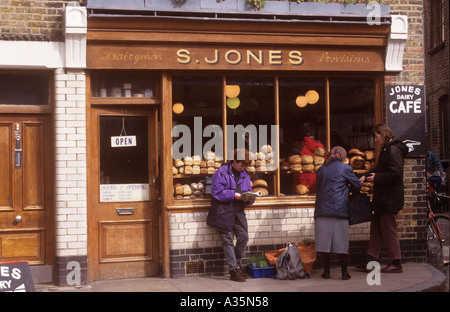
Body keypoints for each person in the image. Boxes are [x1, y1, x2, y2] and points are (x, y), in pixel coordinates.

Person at [357, 124, 408, 273]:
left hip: (389, 198)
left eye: (376, 136)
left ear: (384, 134)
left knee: (389, 229)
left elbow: (396, 174)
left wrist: (376, 178)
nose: (375, 139)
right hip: (383, 198)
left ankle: (396, 262)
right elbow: (379, 170)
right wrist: (365, 176)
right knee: (376, 229)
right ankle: (370, 259)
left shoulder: (393, 150)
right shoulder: (387, 149)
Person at [206, 149, 255, 282]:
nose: (243, 168)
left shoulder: (245, 174)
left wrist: (250, 199)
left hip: (237, 211)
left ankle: (237, 265)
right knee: (227, 240)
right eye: (242, 165)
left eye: (245, 166)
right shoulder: (221, 172)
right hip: (222, 210)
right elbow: (216, 192)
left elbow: (248, 191)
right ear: (234, 161)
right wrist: (233, 195)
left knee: (243, 237)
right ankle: (233, 270)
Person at [314, 146, 362, 280]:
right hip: (340, 210)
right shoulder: (345, 168)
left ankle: (326, 272)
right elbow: (357, 186)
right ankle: (344, 273)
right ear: (342, 156)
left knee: (324, 243)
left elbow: (319, 186)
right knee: (341, 242)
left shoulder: (321, 169)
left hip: (322, 211)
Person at [291, 122, 325, 194]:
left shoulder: (298, 147)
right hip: (318, 180)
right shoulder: (322, 147)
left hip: (301, 181)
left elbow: (289, 164)